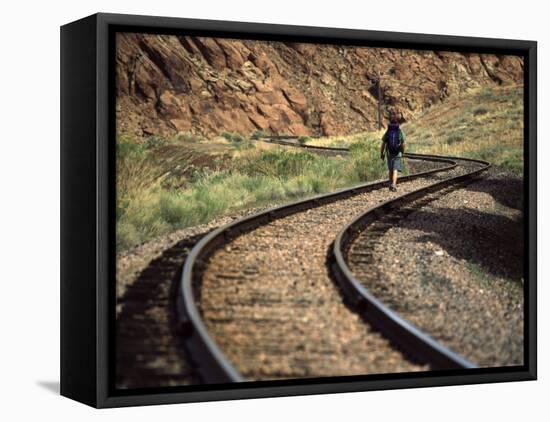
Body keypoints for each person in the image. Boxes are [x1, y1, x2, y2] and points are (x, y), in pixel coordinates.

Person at [380, 114, 406, 192]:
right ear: (397, 123)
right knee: (395, 169)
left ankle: (390, 183)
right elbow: (403, 143)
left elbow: (383, 144)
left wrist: (382, 153)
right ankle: (394, 185)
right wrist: (403, 152)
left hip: (389, 153)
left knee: (390, 169)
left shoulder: (388, 132)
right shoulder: (400, 132)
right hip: (397, 153)